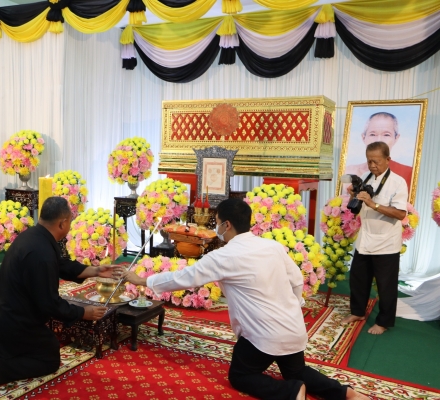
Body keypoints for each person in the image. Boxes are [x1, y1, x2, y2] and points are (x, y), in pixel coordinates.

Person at [124, 198, 367, 400]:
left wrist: (142, 281)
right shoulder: (272, 247)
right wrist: (292, 308)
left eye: (217, 222)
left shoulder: (223, 256)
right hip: (293, 329)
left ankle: (291, 392)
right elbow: (296, 280)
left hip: (263, 335)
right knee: (296, 370)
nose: (216, 227)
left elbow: (183, 278)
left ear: (227, 224)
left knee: (240, 375)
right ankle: (347, 393)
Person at [0, 196, 124, 390]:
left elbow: (60, 265)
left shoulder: (33, 236)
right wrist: (83, 313)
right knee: (49, 357)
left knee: (33, 345)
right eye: (70, 221)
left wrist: (96, 271)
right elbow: (49, 303)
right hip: (12, 324)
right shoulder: (41, 253)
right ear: (62, 223)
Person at [341, 142, 408, 335]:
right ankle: (358, 312)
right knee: (358, 279)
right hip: (365, 238)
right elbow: (357, 208)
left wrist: (373, 204)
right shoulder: (365, 177)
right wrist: (353, 196)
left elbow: (400, 214)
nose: (372, 165)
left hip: (386, 242)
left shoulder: (398, 182)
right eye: (369, 161)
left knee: (385, 285)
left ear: (388, 159)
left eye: (376, 161)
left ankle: (383, 322)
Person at [344, 112, 413, 193]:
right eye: (373, 134)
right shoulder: (350, 171)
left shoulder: (405, 174)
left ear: (396, 138)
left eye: (386, 135)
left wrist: (371, 201)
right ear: (363, 137)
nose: (379, 140)